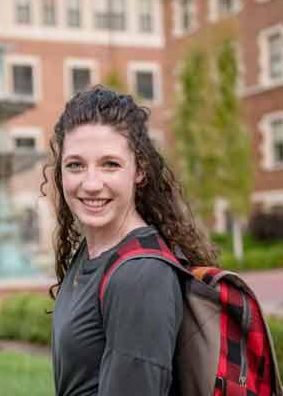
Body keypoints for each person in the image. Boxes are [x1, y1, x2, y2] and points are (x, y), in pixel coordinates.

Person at [41, 85, 218, 396]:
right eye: (75, 165)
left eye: (110, 164)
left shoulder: (141, 276)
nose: (91, 183)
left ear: (139, 171)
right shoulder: (92, 251)